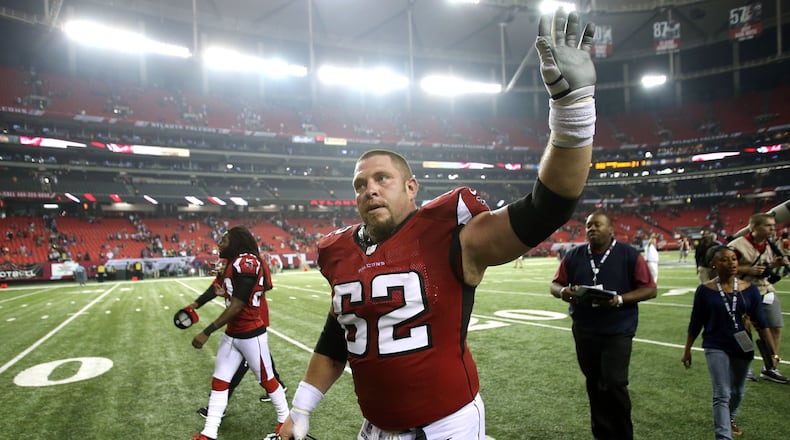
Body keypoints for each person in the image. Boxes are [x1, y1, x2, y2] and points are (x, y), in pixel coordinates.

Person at [279, 9, 597, 440]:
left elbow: (547, 208)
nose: (369, 190)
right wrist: (301, 409)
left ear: (411, 187)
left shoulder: (452, 235)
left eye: (381, 179)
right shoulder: (339, 252)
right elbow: (340, 334)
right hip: (375, 428)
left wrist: (572, 111)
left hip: (447, 427)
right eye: (360, 184)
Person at [550, 211, 657, 440]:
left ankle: (623, 435)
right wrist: (563, 292)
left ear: (611, 229)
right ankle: (602, 434)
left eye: (597, 225)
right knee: (594, 383)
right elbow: (555, 284)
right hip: (585, 329)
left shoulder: (628, 254)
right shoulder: (575, 254)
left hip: (617, 329)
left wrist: (619, 299)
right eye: (588, 226)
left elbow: (650, 289)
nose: (592, 229)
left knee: (614, 383)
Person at [190, 226, 289, 440]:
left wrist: (207, 331)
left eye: (224, 240)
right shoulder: (233, 262)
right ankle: (209, 432)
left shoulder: (246, 262)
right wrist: (224, 291)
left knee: (268, 380)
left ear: (235, 242)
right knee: (220, 381)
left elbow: (237, 305)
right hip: (233, 334)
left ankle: (285, 421)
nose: (219, 244)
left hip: (251, 333)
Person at [681, 246, 780, 439]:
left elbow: (761, 322)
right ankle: (723, 436)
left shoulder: (749, 290)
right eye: (725, 259)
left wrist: (773, 351)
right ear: (714, 264)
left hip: (742, 346)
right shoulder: (704, 290)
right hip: (715, 345)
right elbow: (696, 322)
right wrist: (687, 350)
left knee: (738, 391)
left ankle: (730, 417)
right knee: (722, 393)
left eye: (734, 259)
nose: (732, 263)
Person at [186, 270, 288, 419]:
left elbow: (267, 284)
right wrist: (196, 304)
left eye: (223, 244)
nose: (220, 246)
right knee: (260, 357)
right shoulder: (229, 259)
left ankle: (220, 406)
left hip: (251, 320)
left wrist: (241, 294)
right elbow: (216, 286)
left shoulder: (249, 259)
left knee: (242, 362)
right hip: (238, 322)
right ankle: (279, 384)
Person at [728, 213, 789, 384]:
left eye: (773, 225)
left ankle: (770, 367)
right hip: (743, 290)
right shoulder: (737, 245)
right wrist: (746, 270)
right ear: (755, 228)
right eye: (768, 225)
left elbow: (764, 266)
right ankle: (743, 365)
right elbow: (722, 267)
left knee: (775, 326)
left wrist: (775, 264)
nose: (772, 228)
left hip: (766, 290)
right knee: (744, 329)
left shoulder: (769, 244)